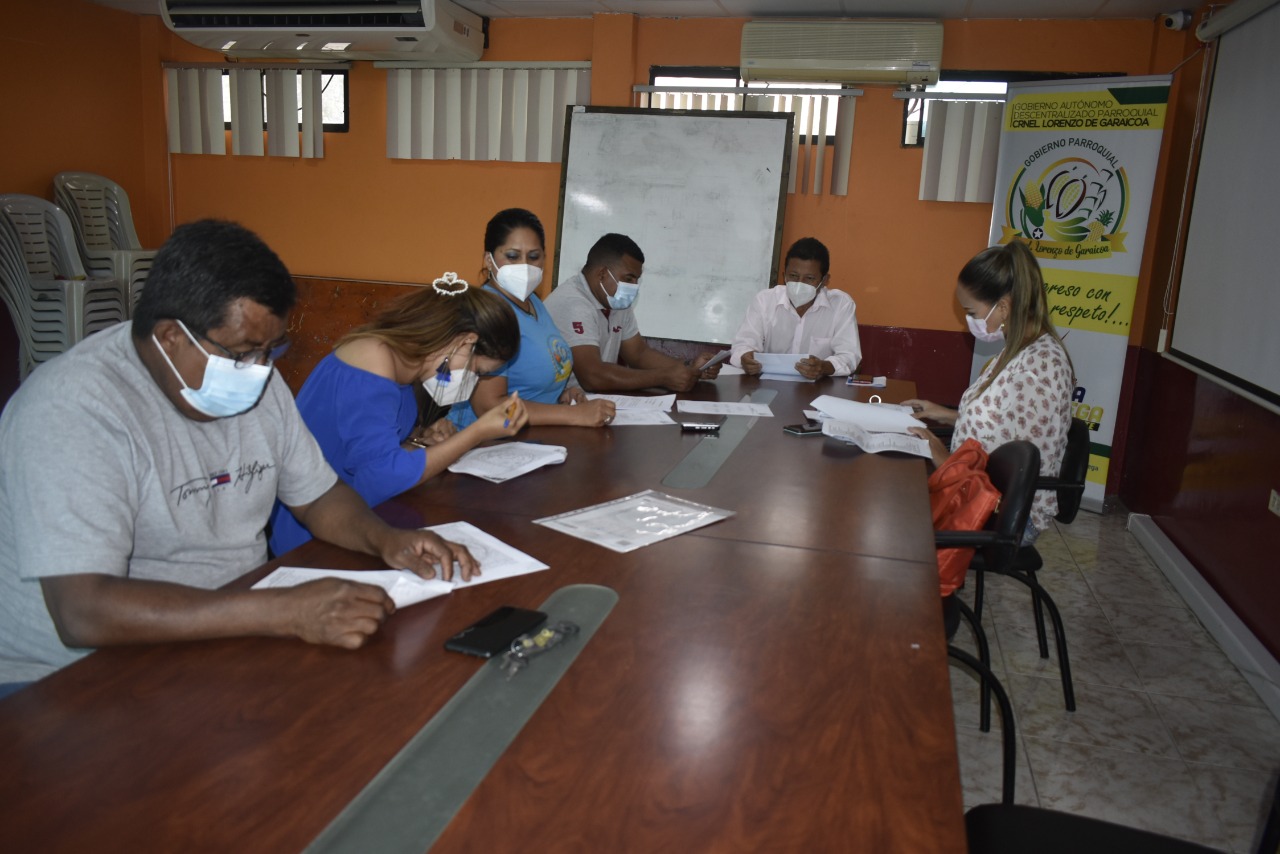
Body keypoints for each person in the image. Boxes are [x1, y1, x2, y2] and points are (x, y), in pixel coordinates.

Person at [0, 220, 479, 689]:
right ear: (170, 337)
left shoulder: (256, 382)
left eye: (272, 350)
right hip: (74, 678)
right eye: (245, 352)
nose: (260, 368)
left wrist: (385, 540)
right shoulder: (73, 409)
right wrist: (285, 610)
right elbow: (82, 611)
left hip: (229, 631)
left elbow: (317, 497)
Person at [267, 274, 530, 556]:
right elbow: (379, 477)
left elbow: (370, 446)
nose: (474, 381)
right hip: (318, 533)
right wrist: (476, 432)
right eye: (478, 371)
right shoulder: (374, 360)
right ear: (465, 342)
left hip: (363, 518)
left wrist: (419, 440)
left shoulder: (405, 364)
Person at [904, 240, 1074, 544]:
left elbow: (1012, 475)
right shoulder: (1018, 349)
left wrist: (942, 457)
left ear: (1004, 307)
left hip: (1005, 515)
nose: (968, 320)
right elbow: (1005, 425)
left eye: (971, 312)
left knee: (897, 520)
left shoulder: (1038, 369)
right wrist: (944, 414)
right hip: (976, 489)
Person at [448, 208, 616, 429]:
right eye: (512, 256)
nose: (525, 265)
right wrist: (574, 415)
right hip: (485, 442)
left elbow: (531, 381)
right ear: (489, 260)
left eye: (534, 256)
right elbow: (489, 407)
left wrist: (560, 394)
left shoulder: (533, 302)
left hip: (533, 435)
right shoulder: (486, 312)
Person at [544, 233, 722, 393]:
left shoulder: (615, 301)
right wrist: (664, 377)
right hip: (560, 405)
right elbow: (592, 376)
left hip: (594, 402)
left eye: (637, 280)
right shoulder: (573, 303)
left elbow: (638, 354)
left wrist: (689, 367)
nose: (634, 287)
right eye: (628, 278)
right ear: (602, 274)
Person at [730, 237, 862, 379]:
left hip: (819, 387)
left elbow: (849, 356)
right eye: (793, 276)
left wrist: (823, 367)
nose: (800, 283)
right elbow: (742, 345)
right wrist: (745, 357)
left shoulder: (841, 305)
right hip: (767, 384)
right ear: (784, 275)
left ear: (824, 280)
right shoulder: (764, 300)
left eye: (809, 278)